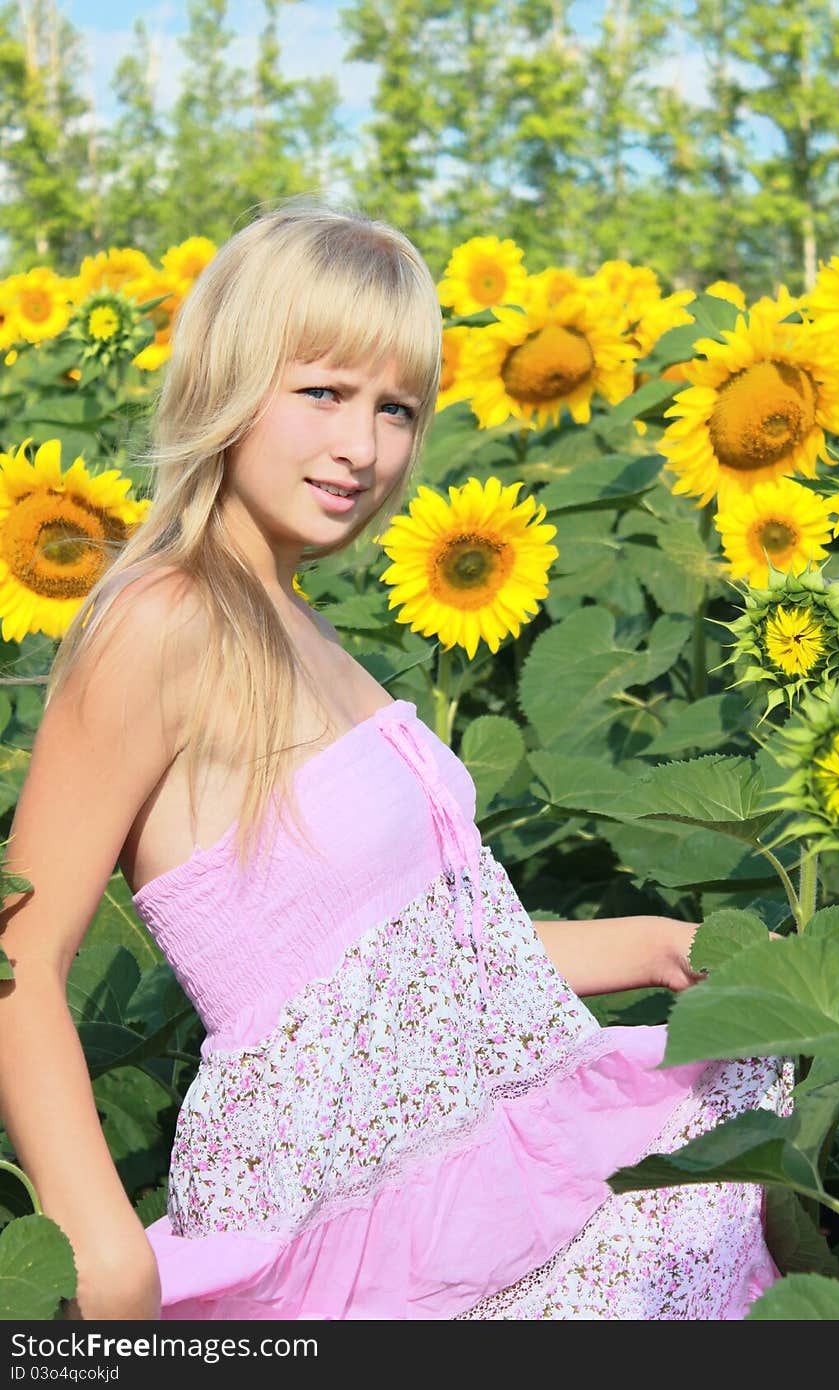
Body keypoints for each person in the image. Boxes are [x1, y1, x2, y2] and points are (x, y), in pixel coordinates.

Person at [0, 199, 792, 1322]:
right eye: (321, 392)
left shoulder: (302, 623)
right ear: (229, 375)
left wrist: (656, 944)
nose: (361, 448)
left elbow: (414, 974)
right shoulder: (163, 617)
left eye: (396, 410)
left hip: (464, 1167)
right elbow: (19, 952)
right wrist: (104, 1248)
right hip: (356, 1216)